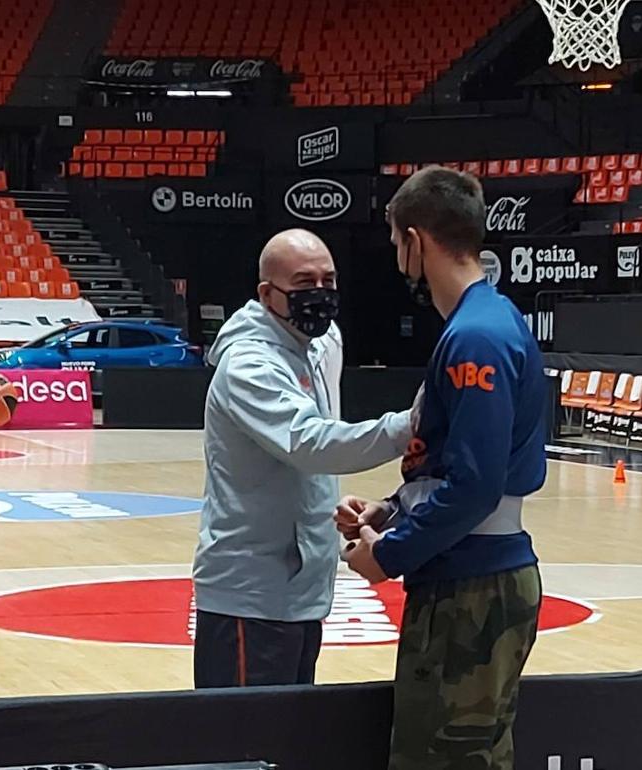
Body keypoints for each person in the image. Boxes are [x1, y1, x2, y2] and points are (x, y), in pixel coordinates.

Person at [339, 166, 547, 770]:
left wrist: (391, 551)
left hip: (470, 590)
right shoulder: (483, 324)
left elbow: (477, 484)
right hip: (472, 581)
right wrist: (393, 509)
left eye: (395, 241)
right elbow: (452, 464)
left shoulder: (476, 338)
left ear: (416, 240)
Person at [192, 228, 415, 689]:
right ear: (266, 294)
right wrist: (412, 425)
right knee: (242, 749)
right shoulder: (248, 366)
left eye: (328, 281)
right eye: (303, 282)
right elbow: (311, 444)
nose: (320, 295)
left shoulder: (324, 342)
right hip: (249, 597)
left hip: (303, 590)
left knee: (289, 741)